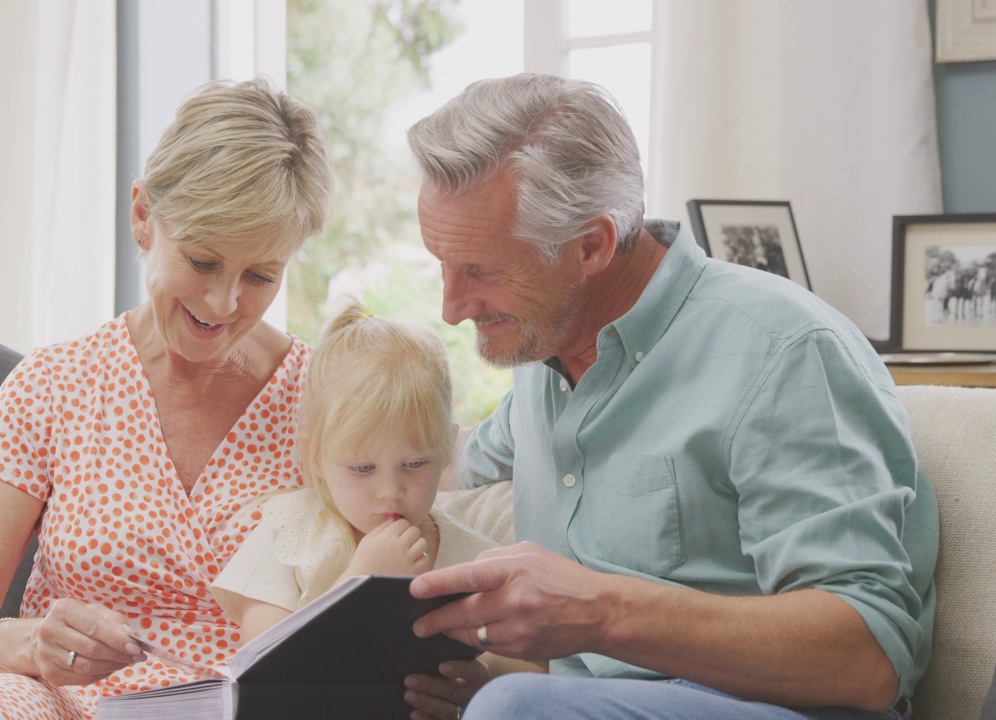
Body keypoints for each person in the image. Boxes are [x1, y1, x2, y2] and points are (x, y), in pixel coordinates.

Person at [398, 73, 938, 720]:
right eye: (443, 265)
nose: (452, 308)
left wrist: (597, 614)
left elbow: (868, 659)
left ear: (591, 246)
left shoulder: (782, 350)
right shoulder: (542, 353)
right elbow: (446, 461)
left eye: (481, 271)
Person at [0, 77, 333, 720]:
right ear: (142, 216)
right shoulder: (53, 384)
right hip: (64, 702)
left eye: (260, 276)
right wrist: (33, 643)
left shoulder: (325, 398)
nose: (224, 304)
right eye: (203, 260)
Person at [210, 303, 539, 693]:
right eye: (363, 469)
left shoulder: (476, 560)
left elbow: (534, 666)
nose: (390, 491)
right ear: (316, 456)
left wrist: (484, 679)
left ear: (446, 451)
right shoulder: (288, 533)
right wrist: (358, 586)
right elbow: (260, 667)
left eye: (415, 463)